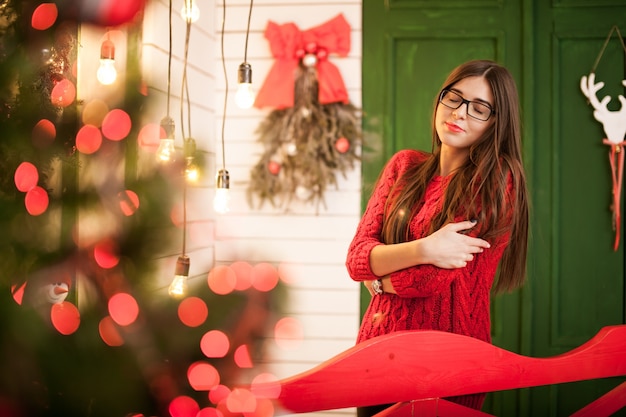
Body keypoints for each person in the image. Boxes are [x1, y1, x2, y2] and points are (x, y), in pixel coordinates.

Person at [345, 59, 529, 416]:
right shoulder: (403, 167)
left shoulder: (495, 180)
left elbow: (427, 280)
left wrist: (379, 273)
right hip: (374, 351)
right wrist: (426, 248)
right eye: (454, 98)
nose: (459, 114)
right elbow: (356, 258)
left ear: (496, 123)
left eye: (479, 108)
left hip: (448, 360)